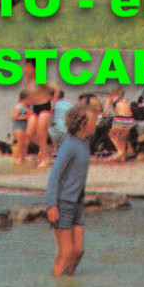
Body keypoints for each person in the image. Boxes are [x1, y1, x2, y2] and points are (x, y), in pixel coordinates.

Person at [44, 104, 94, 277]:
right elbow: (54, 176)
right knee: (65, 252)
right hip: (62, 204)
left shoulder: (85, 143)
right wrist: (52, 205)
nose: (96, 123)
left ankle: (68, 284)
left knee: (78, 251)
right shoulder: (69, 144)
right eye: (93, 120)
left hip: (76, 204)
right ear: (83, 124)